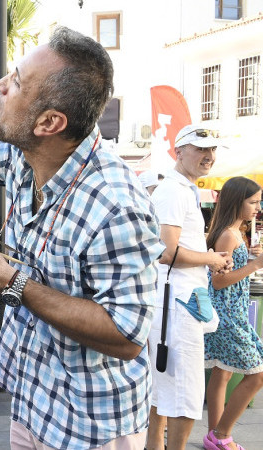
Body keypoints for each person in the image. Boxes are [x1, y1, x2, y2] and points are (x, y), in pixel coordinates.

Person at [0, 26, 165, 448]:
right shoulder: (29, 155)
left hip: (89, 424)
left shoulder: (117, 204)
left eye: (16, 83)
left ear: (49, 122)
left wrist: (10, 281)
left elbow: (128, 336)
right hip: (32, 402)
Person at [146, 124, 234, 450]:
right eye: (200, 148)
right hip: (177, 304)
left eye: (211, 150)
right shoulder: (174, 190)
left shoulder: (181, 189)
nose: (208, 156)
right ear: (178, 152)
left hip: (176, 302)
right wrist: (209, 258)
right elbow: (167, 251)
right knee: (185, 393)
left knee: (165, 388)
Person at [202, 176, 263, 450]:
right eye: (253, 202)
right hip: (228, 314)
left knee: (222, 372)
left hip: (230, 312)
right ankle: (221, 433)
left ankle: (215, 435)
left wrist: (249, 257)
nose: (257, 208)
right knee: (257, 375)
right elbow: (218, 280)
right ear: (237, 202)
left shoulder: (234, 232)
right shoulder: (229, 233)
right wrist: (256, 264)